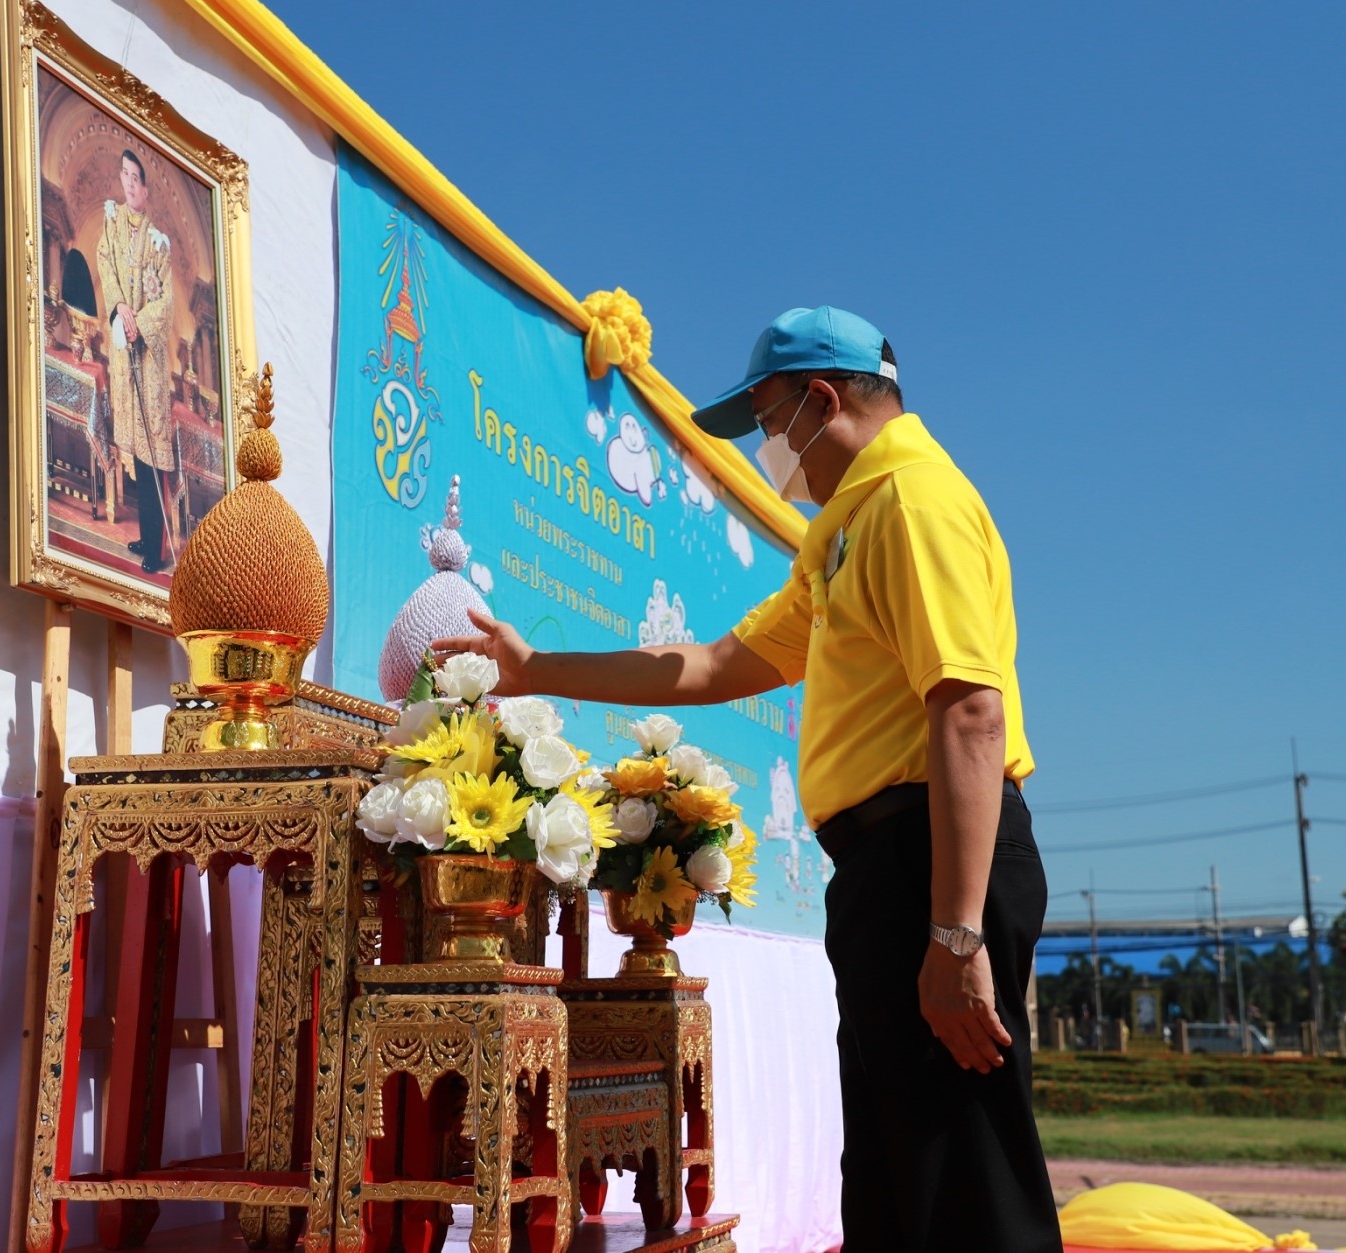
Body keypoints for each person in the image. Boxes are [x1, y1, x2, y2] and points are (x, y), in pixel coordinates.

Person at [434, 306, 1061, 1253]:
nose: (770, 449)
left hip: (935, 859)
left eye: (770, 421)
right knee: (899, 1182)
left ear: (823, 400)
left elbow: (971, 712)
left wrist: (955, 931)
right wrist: (537, 668)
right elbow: (714, 664)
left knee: (967, 1184)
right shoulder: (845, 531)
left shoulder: (911, 501)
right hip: (890, 868)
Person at [95, 148, 178, 574]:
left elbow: (167, 303)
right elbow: (105, 264)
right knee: (137, 453)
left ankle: (157, 551)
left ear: (146, 189)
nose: (129, 183)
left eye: (136, 177)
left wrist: (138, 324)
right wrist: (119, 307)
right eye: (124, 174)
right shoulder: (111, 224)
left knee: (152, 457)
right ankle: (146, 535)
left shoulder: (158, 243)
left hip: (148, 361)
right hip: (124, 360)